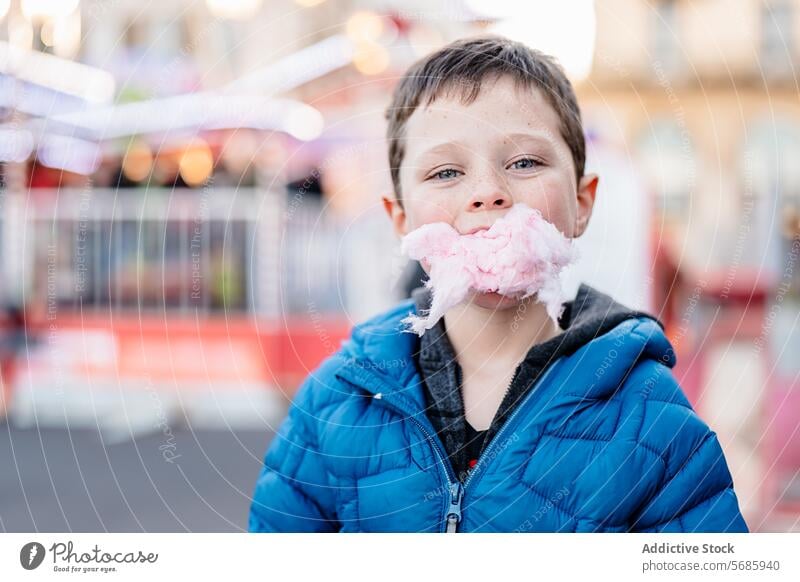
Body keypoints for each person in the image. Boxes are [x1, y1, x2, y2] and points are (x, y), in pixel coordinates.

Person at [248, 35, 748, 532]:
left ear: (581, 205)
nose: (488, 192)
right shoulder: (333, 407)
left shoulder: (652, 421)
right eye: (446, 172)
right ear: (402, 220)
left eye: (525, 163)